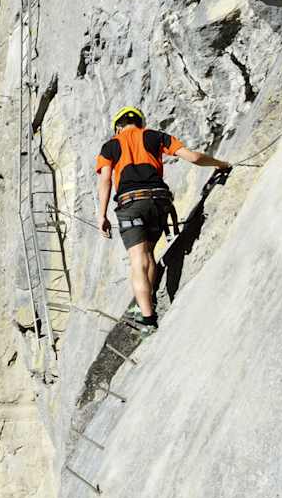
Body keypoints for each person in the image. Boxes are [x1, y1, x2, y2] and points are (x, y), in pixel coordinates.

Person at [95, 106, 231, 331]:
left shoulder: (110, 146)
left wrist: (102, 215)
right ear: (140, 122)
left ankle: (147, 317)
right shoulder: (155, 136)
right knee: (148, 252)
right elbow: (193, 157)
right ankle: (150, 300)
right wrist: (221, 164)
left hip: (130, 204)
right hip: (158, 201)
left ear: (118, 127)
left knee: (138, 258)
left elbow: (106, 180)